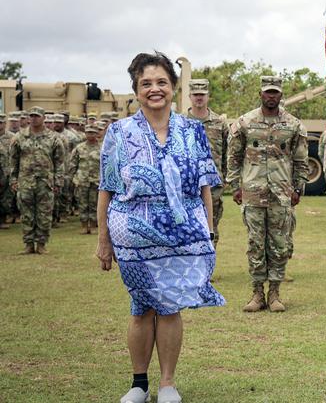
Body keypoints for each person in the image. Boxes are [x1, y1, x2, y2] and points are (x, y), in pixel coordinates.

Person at [95, 52, 224, 403]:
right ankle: (139, 384)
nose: (155, 89)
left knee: (170, 306)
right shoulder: (118, 133)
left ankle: (167, 383)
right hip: (132, 235)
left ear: (173, 87)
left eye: (161, 82)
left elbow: (204, 186)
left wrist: (208, 233)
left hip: (183, 236)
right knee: (141, 307)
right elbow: (106, 188)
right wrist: (103, 239)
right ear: (136, 90)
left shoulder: (193, 131)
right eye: (146, 83)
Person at [227, 76, 307, 313]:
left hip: (281, 194)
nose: (271, 96)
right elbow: (234, 156)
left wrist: (298, 187)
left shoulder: (293, 125)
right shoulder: (245, 122)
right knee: (255, 244)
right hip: (253, 192)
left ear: (281, 95)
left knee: (279, 245)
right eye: (267, 92)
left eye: (275, 93)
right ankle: (256, 293)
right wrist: (235, 185)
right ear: (261, 94)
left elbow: (301, 160)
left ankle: (274, 293)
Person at [9, 107, 64, 254]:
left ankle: (41, 244)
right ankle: (28, 244)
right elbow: (13, 160)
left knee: (44, 214)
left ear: (44, 118)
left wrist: (58, 181)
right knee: (26, 214)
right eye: (31, 116)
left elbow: (59, 162)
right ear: (28, 118)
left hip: (45, 183)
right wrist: (13, 180)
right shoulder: (19, 137)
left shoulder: (53, 138)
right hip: (25, 182)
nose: (34, 119)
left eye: (37, 116)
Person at [184, 79, 229, 247]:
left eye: (202, 95)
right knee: (188, 227)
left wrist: (224, 178)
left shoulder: (219, 123)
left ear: (208, 96)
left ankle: (208, 267)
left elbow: (227, 153)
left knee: (212, 227)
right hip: (188, 186)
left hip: (213, 186)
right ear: (190, 96)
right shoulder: (181, 123)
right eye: (195, 95)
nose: (199, 98)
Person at [69, 124, 102, 234]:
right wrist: (72, 178)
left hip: (97, 180)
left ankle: (93, 225)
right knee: (82, 204)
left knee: (94, 204)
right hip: (82, 180)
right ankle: (84, 225)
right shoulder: (79, 148)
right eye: (88, 132)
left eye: (93, 132)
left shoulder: (102, 148)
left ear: (97, 134)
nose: (90, 135)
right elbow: (73, 164)